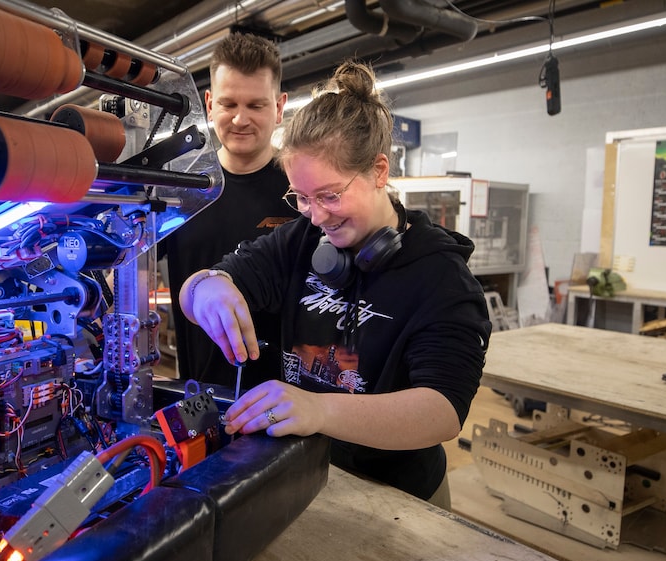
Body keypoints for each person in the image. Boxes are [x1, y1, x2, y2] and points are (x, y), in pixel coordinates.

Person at [178, 60, 491, 507]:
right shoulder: (300, 241)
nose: (316, 216)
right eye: (301, 197)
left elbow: (442, 412)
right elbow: (203, 284)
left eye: (329, 195)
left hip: (400, 498)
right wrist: (207, 288)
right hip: (308, 478)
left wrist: (319, 409)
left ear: (379, 172)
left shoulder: (441, 277)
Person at [162, 32, 299, 392]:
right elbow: (128, 264)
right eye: (228, 104)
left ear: (280, 106)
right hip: (200, 394)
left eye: (256, 105)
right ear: (209, 104)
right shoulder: (181, 189)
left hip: (292, 397)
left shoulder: (303, 191)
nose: (240, 120)